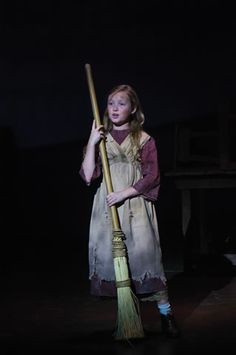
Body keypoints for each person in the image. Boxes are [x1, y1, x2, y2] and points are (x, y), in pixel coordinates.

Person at [79, 84, 180, 338]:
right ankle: (128, 319)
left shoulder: (144, 140)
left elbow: (152, 176)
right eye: (111, 103)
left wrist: (125, 193)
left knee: (145, 259)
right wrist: (92, 143)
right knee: (117, 263)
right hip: (108, 209)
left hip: (134, 206)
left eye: (121, 103)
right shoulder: (101, 139)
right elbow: (89, 176)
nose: (114, 108)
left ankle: (166, 314)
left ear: (133, 108)